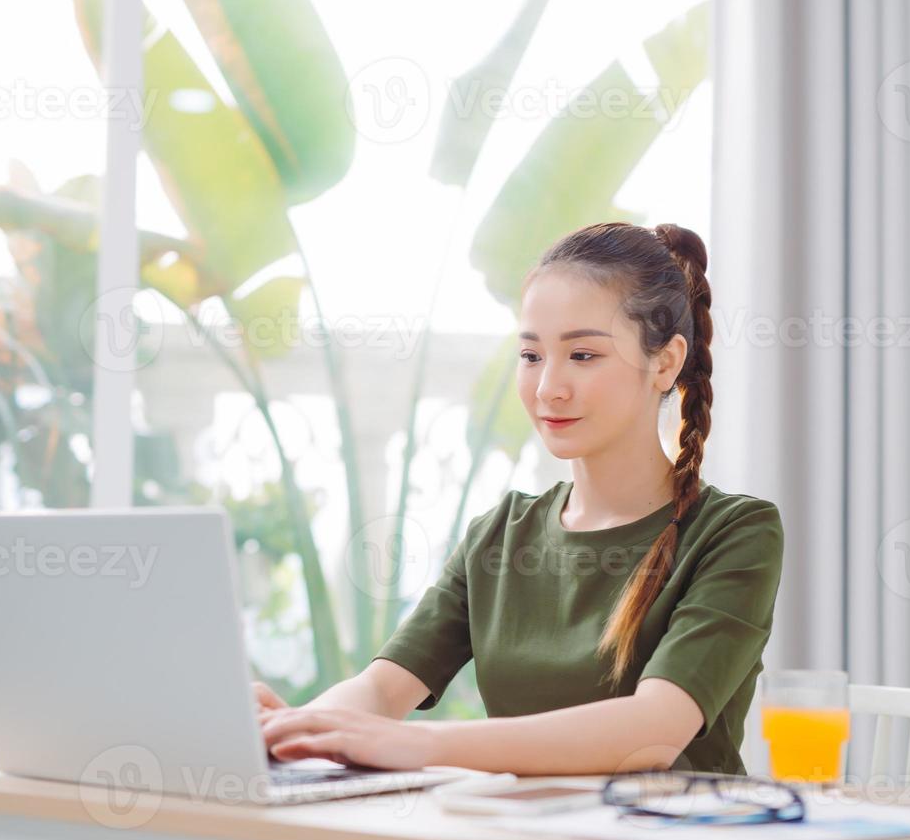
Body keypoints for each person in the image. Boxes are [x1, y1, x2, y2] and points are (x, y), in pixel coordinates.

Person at [258, 222, 784, 775]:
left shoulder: (734, 532)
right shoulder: (502, 533)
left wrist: (422, 746)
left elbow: (653, 731)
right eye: (531, 356)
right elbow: (381, 690)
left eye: (582, 355)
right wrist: (290, 731)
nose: (547, 387)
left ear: (665, 362)